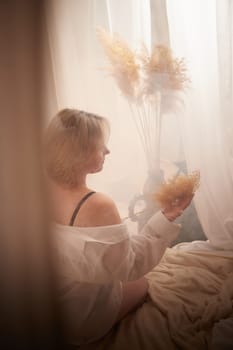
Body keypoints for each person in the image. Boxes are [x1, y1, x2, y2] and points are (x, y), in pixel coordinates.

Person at [43, 108, 193, 346]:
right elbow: (130, 267)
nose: (107, 151)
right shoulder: (96, 204)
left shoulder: (32, 189)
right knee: (143, 284)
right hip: (77, 321)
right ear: (81, 153)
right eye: (101, 145)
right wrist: (167, 217)